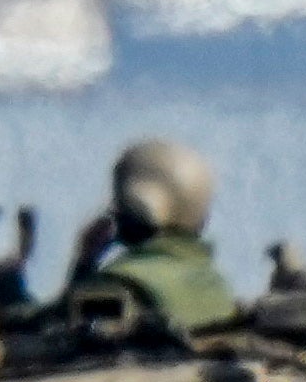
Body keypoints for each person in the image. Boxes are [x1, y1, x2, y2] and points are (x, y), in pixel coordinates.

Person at [61, 135, 239, 336]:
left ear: (138, 204)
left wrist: (83, 264)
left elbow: (46, 325)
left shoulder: (120, 283)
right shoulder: (214, 281)